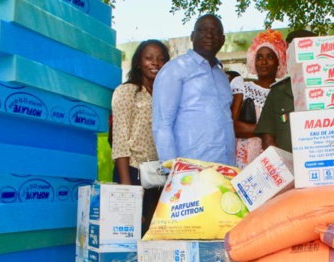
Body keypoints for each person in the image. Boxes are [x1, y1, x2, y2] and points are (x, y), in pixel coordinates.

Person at [152, 14, 235, 166]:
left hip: (225, 170)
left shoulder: (222, 77)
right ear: (192, 36)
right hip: (189, 174)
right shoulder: (175, 69)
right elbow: (162, 124)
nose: (209, 35)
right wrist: (173, 170)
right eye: (202, 30)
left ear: (223, 40)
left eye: (215, 31)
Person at [111, 39, 170, 234]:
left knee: (154, 232)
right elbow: (119, 141)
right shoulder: (127, 92)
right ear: (138, 62)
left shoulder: (166, 96)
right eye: (149, 58)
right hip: (132, 172)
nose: (155, 63)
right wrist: (129, 193)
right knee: (133, 230)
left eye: (161, 59)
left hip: (158, 175)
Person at [230, 29, 287, 168]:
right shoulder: (242, 86)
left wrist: (251, 129)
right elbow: (233, 126)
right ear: (253, 60)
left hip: (272, 160)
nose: (264, 62)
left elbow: (285, 128)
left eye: (270, 57)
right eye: (259, 57)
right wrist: (267, 131)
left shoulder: (284, 92)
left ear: (279, 61)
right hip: (243, 159)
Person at [254, 29, 316, 153]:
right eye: (289, 50)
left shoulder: (331, 89)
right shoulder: (278, 92)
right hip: (288, 167)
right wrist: (281, 166)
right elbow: (267, 137)